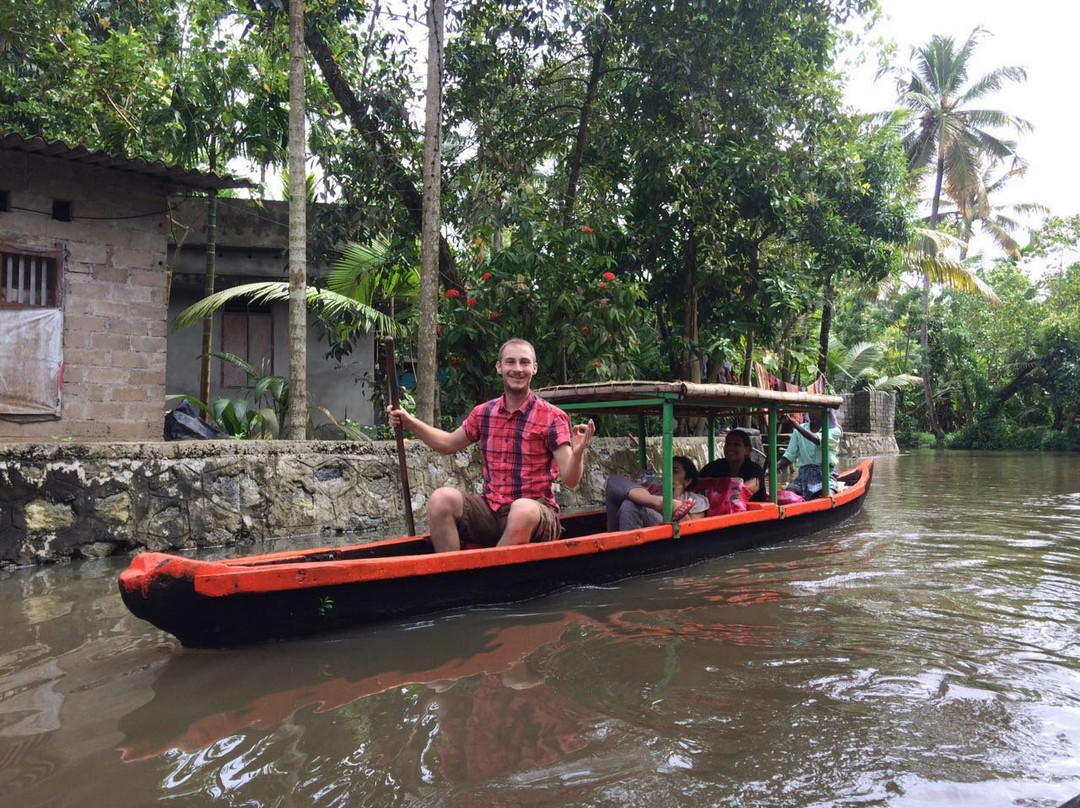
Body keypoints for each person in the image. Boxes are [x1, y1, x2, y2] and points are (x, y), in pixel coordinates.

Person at [386, 338, 594, 552]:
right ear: (499, 367)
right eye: (510, 362)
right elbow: (447, 444)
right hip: (491, 510)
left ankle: (483, 576)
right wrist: (409, 422)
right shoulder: (483, 413)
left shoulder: (553, 417)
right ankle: (454, 574)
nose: (517, 369)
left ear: (534, 368)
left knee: (521, 509)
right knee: (441, 499)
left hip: (535, 513)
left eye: (524, 362)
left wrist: (578, 453)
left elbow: (571, 480)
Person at [604, 456, 708, 532]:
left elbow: (693, 532)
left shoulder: (697, 500)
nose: (669, 474)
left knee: (629, 504)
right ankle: (659, 502)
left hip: (671, 537)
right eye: (667, 470)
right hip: (622, 525)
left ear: (688, 480)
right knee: (613, 480)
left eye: (675, 471)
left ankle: (627, 555)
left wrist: (676, 496)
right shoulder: (654, 492)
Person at [776, 410, 841, 498]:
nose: (812, 412)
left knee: (828, 496)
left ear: (825, 412)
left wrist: (794, 424)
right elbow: (789, 456)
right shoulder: (799, 429)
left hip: (825, 475)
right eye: (810, 409)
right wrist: (772, 469)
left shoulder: (834, 430)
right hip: (803, 476)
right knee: (788, 496)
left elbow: (817, 440)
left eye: (815, 409)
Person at [699, 428, 768, 502]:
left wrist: (728, 492)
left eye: (737, 445)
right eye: (728, 444)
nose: (730, 448)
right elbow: (697, 481)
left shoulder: (754, 468)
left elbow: (753, 486)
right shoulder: (717, 466)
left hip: (751, 511)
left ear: (747, 450)